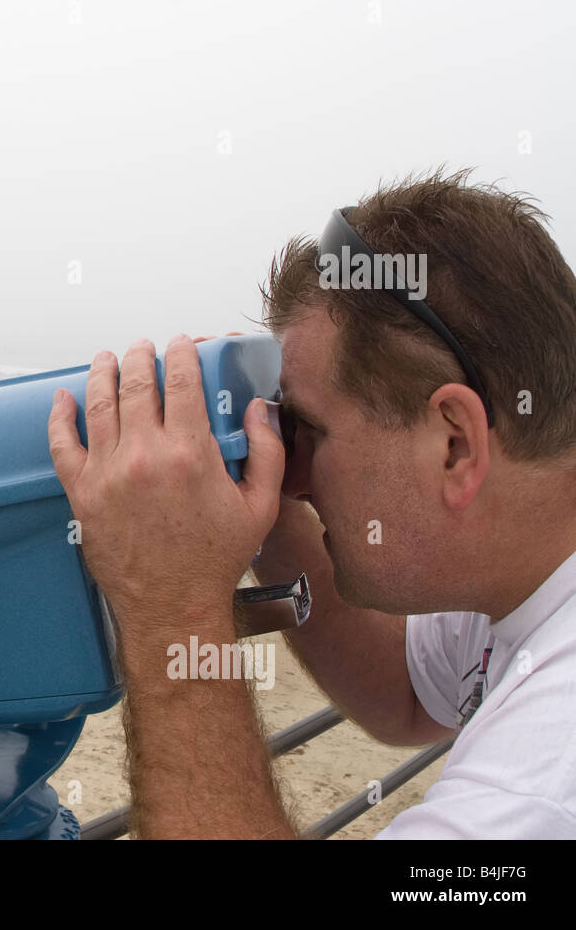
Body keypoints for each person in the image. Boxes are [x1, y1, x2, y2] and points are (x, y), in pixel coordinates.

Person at [47, 168, 576, 838]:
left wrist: (172, 605)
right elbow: (406, 695)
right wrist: (256, 499)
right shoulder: (537, 574)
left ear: (454, 446)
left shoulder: (547, 787)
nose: (293, 476)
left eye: (309, 430)